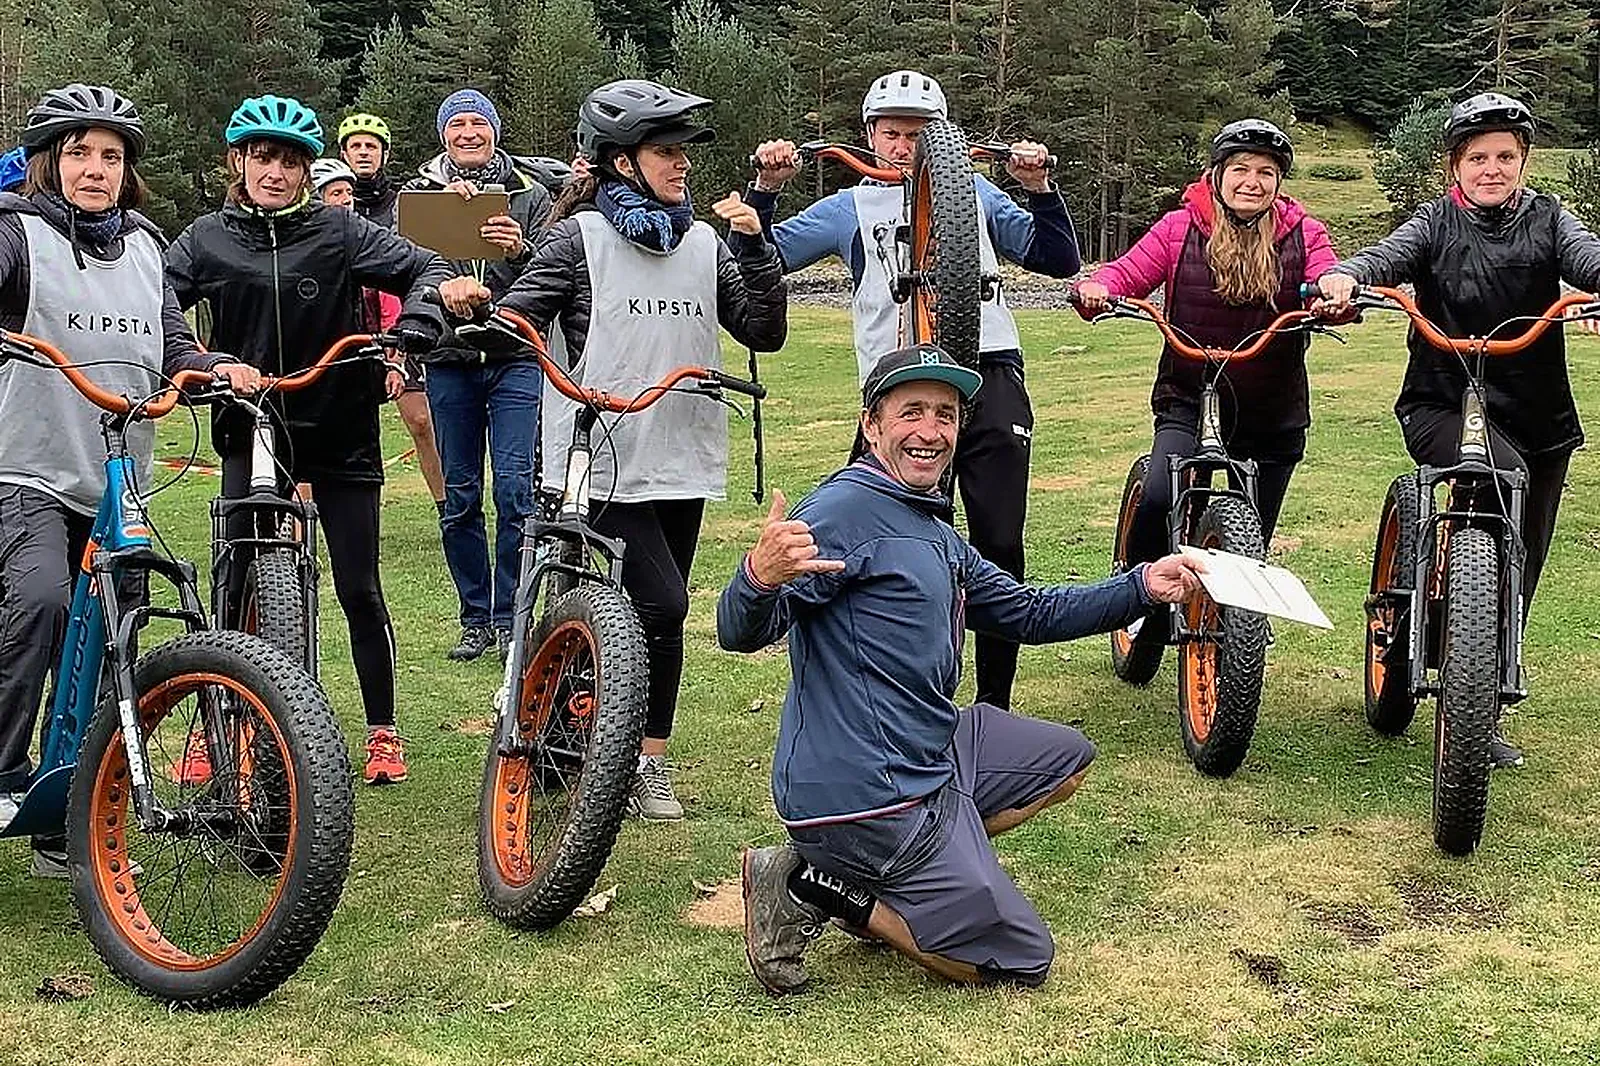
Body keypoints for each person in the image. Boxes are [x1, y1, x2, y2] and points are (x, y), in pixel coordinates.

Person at [717, 344, 1203, 993]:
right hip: (865, 796)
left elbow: (1028, 612)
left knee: (1067, 759)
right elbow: (739, 631)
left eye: (945, 414)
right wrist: (757, 577)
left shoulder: (931, 529)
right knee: (1022, 959)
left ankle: (923, 874)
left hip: (931, 747)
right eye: (911, 412)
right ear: (871, 426)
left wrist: (1144, 584)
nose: (930, 430)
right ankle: (820, 886)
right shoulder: (840, 514)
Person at [439, 79, 787, 821]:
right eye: (666, 151)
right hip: (597, 457)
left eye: (684, 152)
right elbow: (517, 318)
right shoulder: (578, 239)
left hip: (681, 451)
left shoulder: (704, 243)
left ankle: (639, 759)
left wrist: (757, 247)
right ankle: (579, 736)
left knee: (656, 617)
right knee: (661, 602)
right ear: (623, 162)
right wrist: (474, 311)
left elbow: (764, 329)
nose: (682, 164)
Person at [747, 69, 1080, 712]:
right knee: (864, 534)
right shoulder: (847, 207)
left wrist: (1040, 189)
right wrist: (767, 189)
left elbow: (1058, 259)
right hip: (896, 383)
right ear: (869, 135)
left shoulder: (974, 192)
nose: (905, 147)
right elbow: (761, 257)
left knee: (998, 540)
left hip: (988, 368)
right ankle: (870, 686)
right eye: (893, 134)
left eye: (920, 134)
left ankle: (993, 702)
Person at [0, 85, 259, 875]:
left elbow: (173, 342)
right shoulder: (15, 232)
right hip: (24, 468)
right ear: (48, 162)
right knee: (41, 602)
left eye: (110, 156)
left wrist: (214, 366)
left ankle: (66, 815)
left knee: (113, 635)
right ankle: (5, 772)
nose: (95, 169)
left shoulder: (146, 245)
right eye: (78, 153)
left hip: (118, 480)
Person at [167, 94, 451, 785]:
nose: (276, 172)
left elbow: (429, 267)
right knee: (233, 583)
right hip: (249, 423)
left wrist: (415, 323)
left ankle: (382, 730)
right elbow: (158, 300)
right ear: (238, 161)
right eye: (263, 157)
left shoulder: (341, 231)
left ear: (305, 170)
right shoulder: (205, 238)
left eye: (290, 161)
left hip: (339, 423)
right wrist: (202, 361)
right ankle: (217, 726)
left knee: (359, 585)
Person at [1315, 92, 1600, 769]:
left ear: (1524, 162)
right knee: (1503, 477)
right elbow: (1388, 256)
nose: (1492, 169)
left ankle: (1480, 703)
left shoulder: (1551, 219)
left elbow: (1586, 255)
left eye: (1505, 156)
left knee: (1524, 555)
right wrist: (1346, 275)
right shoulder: (1433, 222)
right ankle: (1439, 604)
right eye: (1478, 157)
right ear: (1456, 166)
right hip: (1441, 403)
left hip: (1538, 415)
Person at [1074, 119, 1336, 644]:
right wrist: (1098, 286)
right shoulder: (1179, 227)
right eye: (1240, 169)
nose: (1252, 182)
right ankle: (1137, 592)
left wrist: (1333, 293)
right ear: (1217, 174)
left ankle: (1242, 625)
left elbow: (1325, 273)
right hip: (1189, 396)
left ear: (1279, 182)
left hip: (1272, 407)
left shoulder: (1302, 232)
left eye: (1265, 173)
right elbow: (1128, 272)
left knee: (1255, 527)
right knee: (1157, 496)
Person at [405, 89, 551, 663]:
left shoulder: (529, 192)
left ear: (495, 130)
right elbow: (407, 270)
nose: (468, 133)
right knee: (460, 495)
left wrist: (519, 251)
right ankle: (474, 618)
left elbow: (553, 273)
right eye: (457, 124)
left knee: (516, 490)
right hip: (448, 360)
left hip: (514, 356)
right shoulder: (420, 195)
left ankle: (512, 617)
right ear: (443, 134)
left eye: (478, 123)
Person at [337, 113, 447, 519]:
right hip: (347, 328)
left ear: (384, 154)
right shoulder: (329, 202)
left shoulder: (404, 203)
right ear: (344, 153)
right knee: (343, 430)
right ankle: (333, 516)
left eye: (372, 146)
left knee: (420, 420)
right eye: (356, 146)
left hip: (400, 325)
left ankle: (446, 506)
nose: (364, 152)